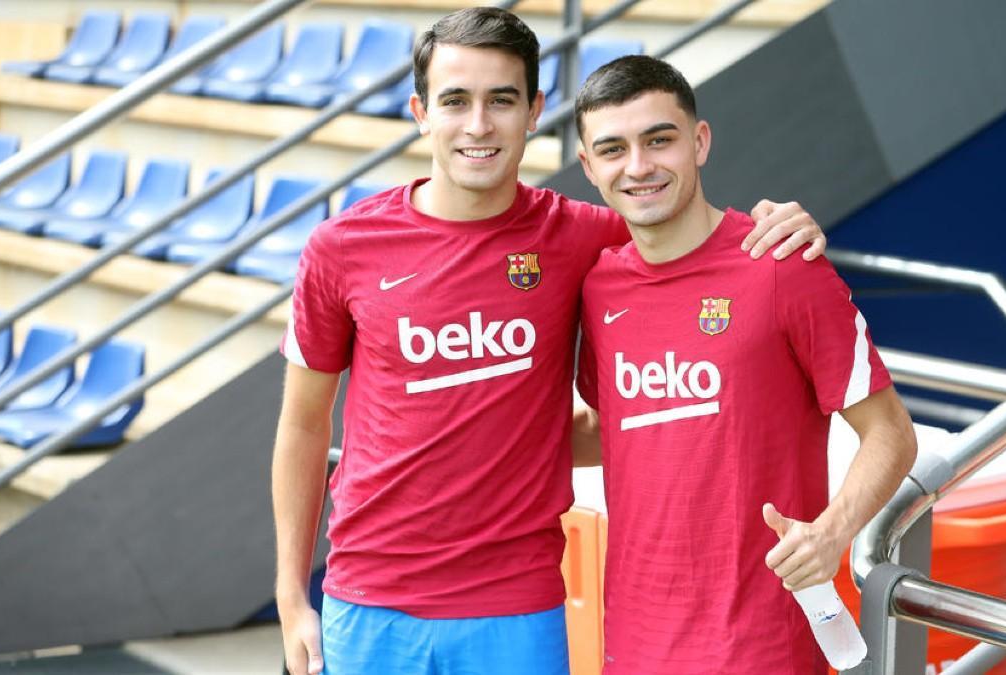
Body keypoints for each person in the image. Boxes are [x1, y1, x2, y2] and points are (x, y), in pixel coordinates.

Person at [272, 8, 829, 675]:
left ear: (535, 110)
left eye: (501, 100)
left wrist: (774, 225)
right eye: (456, 101)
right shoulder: (342, 249)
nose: (479, 125)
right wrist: (289, 591)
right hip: (370, 603)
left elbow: (686, 228)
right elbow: (304, 428)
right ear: (421, 110)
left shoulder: (583, 238)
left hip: (519, 607)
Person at [571, 55, 919, 674]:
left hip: (763, 648)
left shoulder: (783, 264)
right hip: (633, 641)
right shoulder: (598, 287)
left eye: (660, 140)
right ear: (589, 166)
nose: (640, 166)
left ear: (699, 142)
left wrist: (832, 532)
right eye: (614, 148)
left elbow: (890, 432)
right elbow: (618, 430)